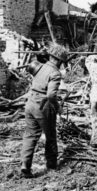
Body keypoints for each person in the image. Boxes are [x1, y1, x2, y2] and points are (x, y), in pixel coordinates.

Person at [20, 43, 68, 178]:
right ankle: (51, 165)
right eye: (62, 62)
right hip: (42, 107)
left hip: (30, 104)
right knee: (50, 135)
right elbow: (51, 95)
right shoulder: (55, 73)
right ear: (58, 60)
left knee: (30, 135)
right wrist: (58, 107)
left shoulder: (39, 67)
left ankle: (25, 165)